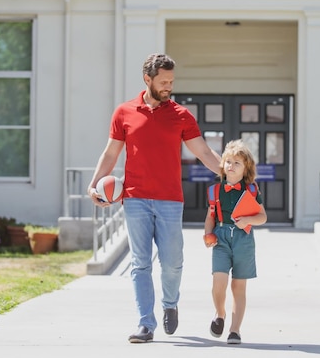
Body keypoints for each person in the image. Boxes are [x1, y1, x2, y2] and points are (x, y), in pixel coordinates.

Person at [87, 53, 222, 344]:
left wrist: (229, 173)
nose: (168, 87)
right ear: (147, 79)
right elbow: (111, 153)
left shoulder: (181, 116)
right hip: (134, 199)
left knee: (172, 262)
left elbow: (204, 152)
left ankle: (170, 304)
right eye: (163, 82)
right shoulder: (124, 112)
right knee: (141, 262)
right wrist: (95, 183)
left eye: (171, 82)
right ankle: (145, 323)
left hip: (170, 200)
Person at [203, 139, 267, 345]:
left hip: (244, 240)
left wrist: (248, 220)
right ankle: (220, 313)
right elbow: (210, 216)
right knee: (218, 283)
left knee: (238, 286)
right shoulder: (214, 191)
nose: (231, 166)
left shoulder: (251, 190)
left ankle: (234, 330)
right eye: (228, 161)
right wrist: (207, 234)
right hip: (221, 237)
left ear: (246, 168)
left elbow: (262, 217)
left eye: (237, 163)